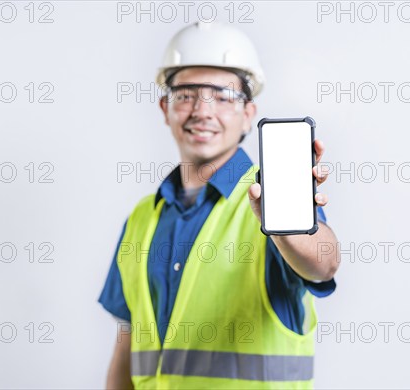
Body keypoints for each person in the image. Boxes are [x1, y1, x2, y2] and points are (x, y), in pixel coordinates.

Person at [99, 21, 340, 389]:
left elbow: (323, 265)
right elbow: (127, 346)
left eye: (224, 97)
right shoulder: (141, 218)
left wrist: (290, 228)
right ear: (165, 108)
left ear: (248, 113)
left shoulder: (271, 199)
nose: (202, 110)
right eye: (186, 94)